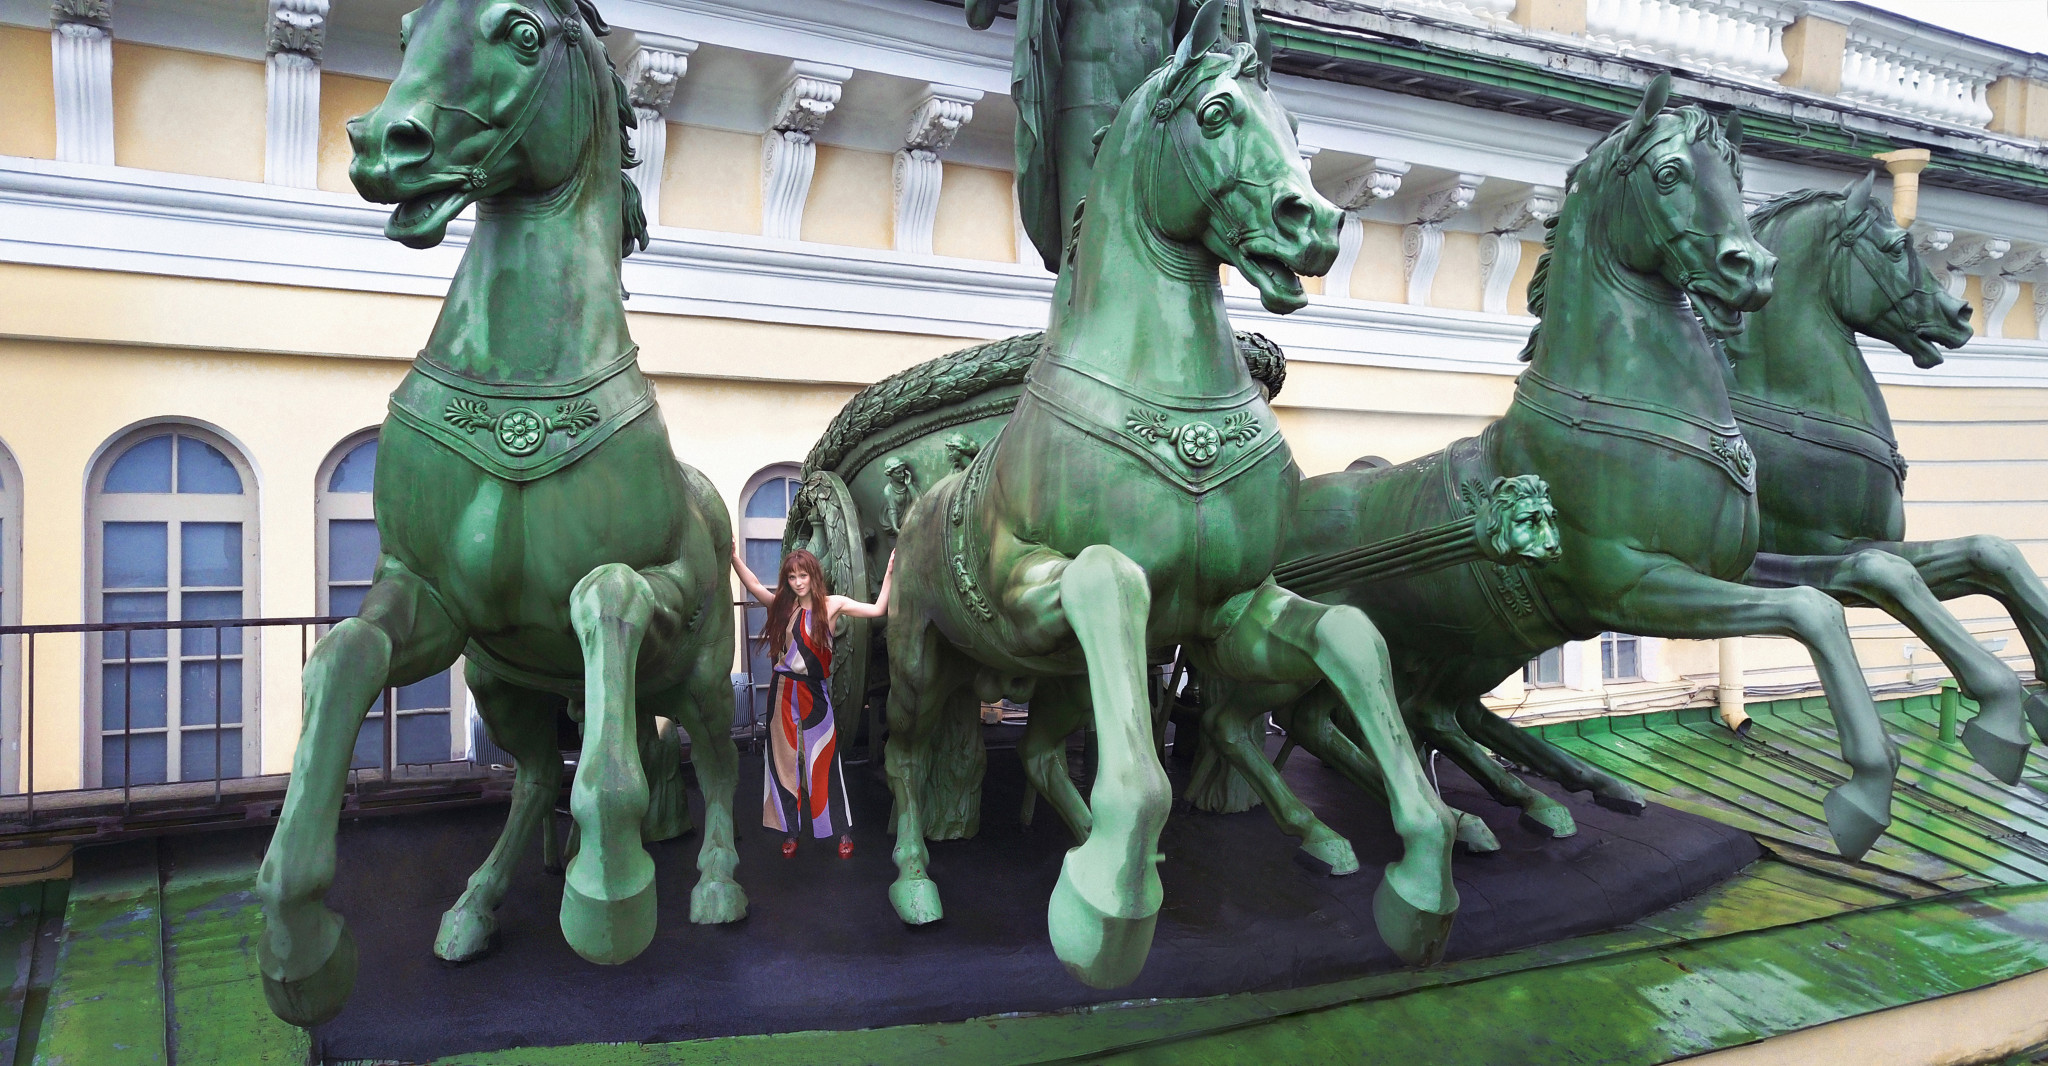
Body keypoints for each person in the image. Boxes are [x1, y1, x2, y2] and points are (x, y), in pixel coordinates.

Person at [731, 545, 894, 858]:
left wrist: (888, 573)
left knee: (825, 759)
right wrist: (734, 557)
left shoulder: (832, 605)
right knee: (781, 762)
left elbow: (878, 609)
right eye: (792, 577)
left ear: (813, 575)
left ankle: (842, 831)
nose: (798, 582)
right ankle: (791, 832)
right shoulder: (783, 606)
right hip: (782, 690)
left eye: (803, 575)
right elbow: (753, 584)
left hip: (814, 691)